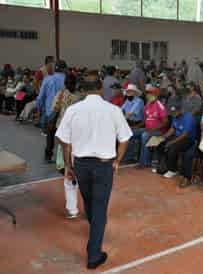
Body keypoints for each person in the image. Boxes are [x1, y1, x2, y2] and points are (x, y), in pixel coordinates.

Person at [55, 78, 132, 269]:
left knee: (89, 201)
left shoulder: (73, 110)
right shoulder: (113, 110)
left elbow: (63, 140)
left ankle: (94, 229)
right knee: (99, 208)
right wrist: (118, 160)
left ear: (83, 90)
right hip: (103, 165)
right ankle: (93, 255)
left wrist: (68, 165)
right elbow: (124, 138)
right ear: (100, 89)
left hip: (80, 164)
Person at [52, 73, 84, 219]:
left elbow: (53, 109)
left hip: (62, 131)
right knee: (75, 160)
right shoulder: (79, 98)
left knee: (65, 161)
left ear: (65, 83)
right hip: (77, 133)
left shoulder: (60, 94)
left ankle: (72, 210)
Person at [154, 101, 197, 185]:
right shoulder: (175, 116)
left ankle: (172, 170)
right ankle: (163, 167)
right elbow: (172, 129)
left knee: (172, 147)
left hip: (188, 139)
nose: (173, 114)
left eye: (175, 112)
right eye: (172, 112)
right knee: (160, 143)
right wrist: (163, 137)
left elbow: (185, 134)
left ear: (181, 110)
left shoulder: (188, 118)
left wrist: (171, 142)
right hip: (177, 137)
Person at [37, 60, 67, 162]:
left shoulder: (47, 79)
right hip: (64, 112)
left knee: (50, 134)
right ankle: (64, 158)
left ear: (55, 69)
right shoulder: (67, 79)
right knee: (65, 135)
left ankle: (48, 156)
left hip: (50, 112)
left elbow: (40, 97)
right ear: (65, 69)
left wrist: (39, 108)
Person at [138, 87, 169, 169]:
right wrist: (135, 127)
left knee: (145, 136)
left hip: (159, 132)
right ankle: (130, 157)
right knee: (131, 133)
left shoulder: (160, 106)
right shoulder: (147, 105)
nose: (148, 96)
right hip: (148, 129)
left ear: (155, 95)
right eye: (147, 94)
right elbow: (144, 120)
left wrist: (153, 129)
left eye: (150, 94)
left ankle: (144, 162)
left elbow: (166, 122)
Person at [122, 84, 145, 162]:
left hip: (139, 125)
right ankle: (126, 156)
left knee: (128, 135)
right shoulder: (128, 100)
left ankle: (129, 157)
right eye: (128, 92)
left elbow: (130, 114)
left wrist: (121, 119)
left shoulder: (139, 101)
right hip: (129, 123)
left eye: (130, 92)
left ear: (135, 93)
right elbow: (121, 110)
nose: (128, 93)